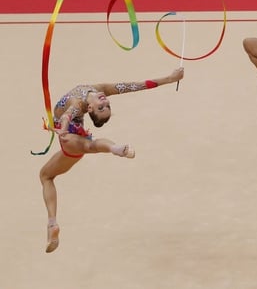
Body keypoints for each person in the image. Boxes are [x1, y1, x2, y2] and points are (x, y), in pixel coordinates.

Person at [39, 67, 185, 253]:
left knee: (47, 174)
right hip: (73, 139)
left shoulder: (79, 103)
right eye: (107, 106)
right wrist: (170, 78)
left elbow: (69, 114)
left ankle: (52, 223)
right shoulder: (99, 89)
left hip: (69, 139)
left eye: (102, 107)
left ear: (89, 109)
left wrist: (63, 128)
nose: (105, 102)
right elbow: (136, 86)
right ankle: (114, 148)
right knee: (80, 152)